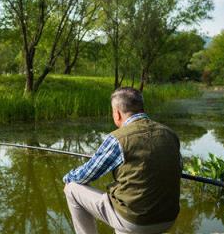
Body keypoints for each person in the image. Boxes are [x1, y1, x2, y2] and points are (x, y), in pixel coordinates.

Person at [63, 87, 182, 234]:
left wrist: (68, 177)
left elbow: (86, 175)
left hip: (135, 221)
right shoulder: (169, 134)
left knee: (71, 188)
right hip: (168, 219)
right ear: (141, 108)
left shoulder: (118, 138)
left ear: (117, 114)